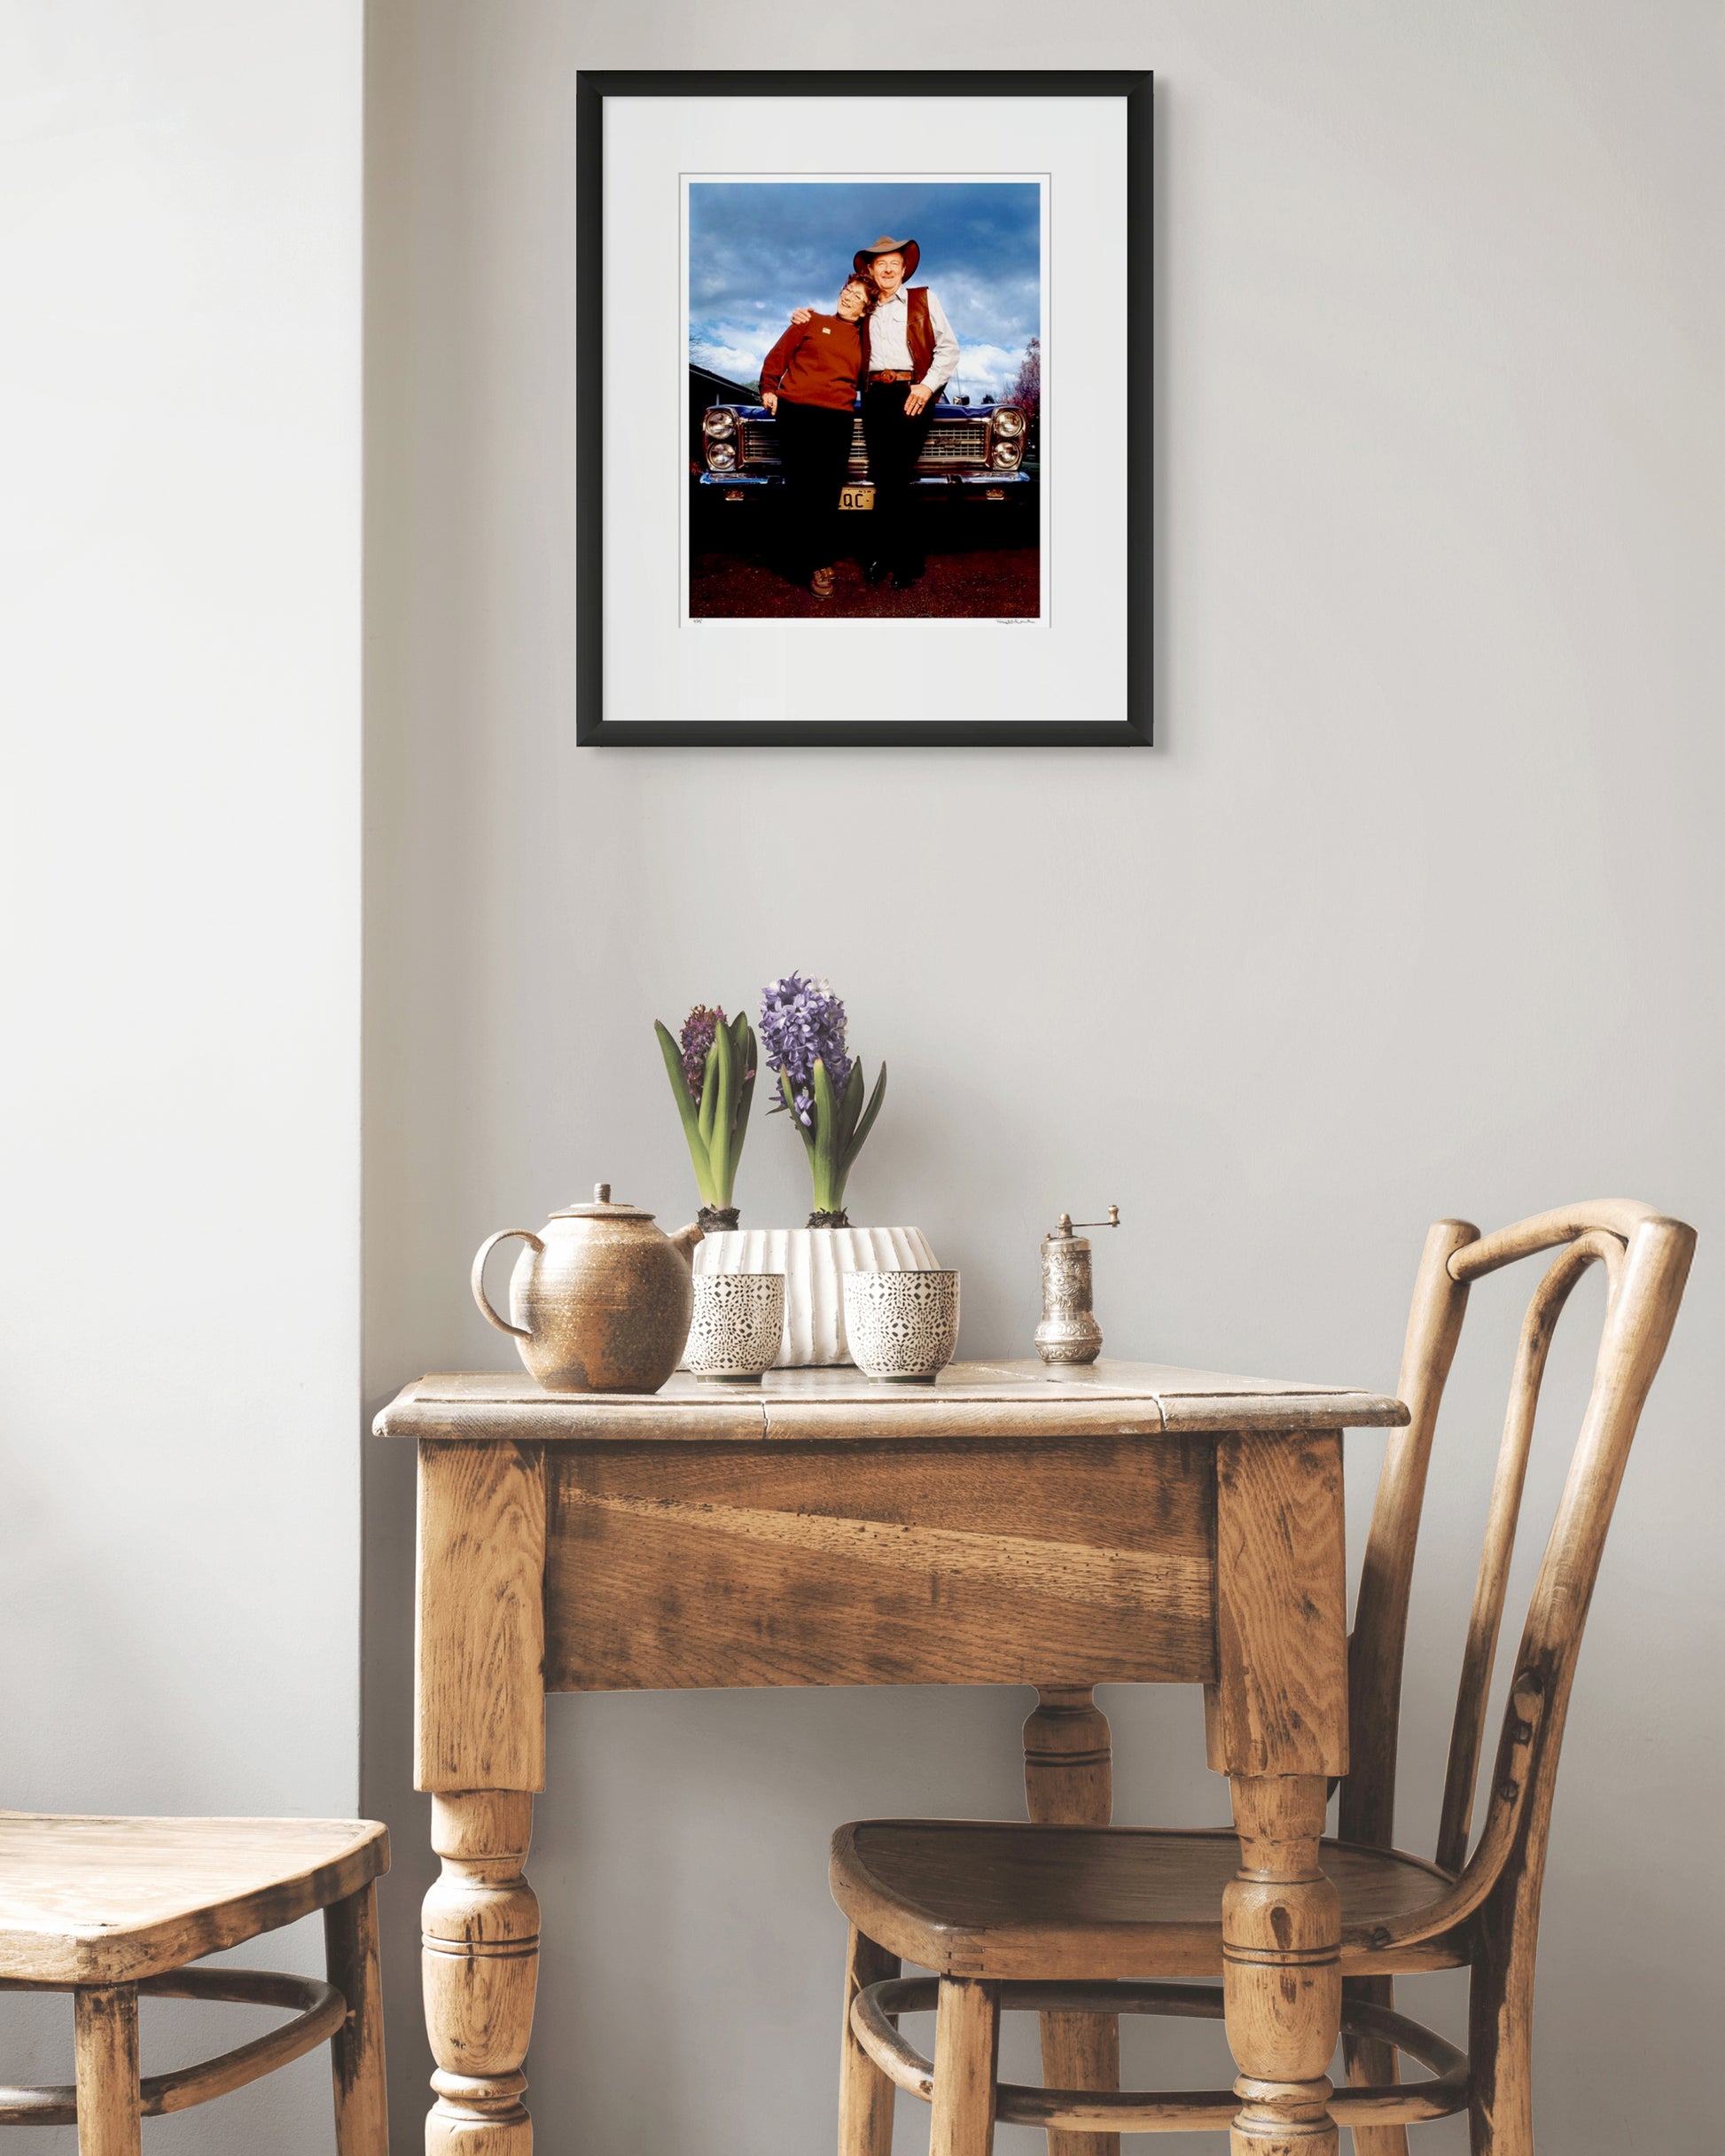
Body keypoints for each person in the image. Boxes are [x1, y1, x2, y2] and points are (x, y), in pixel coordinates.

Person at [795, 234, 960, 590]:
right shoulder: (864, 309)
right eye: (880, 263)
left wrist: (926, 386)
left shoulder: (924, 299)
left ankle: (902, 560)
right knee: (883, 476)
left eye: (894, 263)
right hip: (874, 397)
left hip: (912, 392)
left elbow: (948, 349)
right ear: (871, 269)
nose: (887, 268)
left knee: (897, 475)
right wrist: (804, 317)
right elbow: (835, 330)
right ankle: (888, 556)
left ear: (903, 270)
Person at [756, 276, 872, 598]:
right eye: (846, 290)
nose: (848, 296)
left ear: (866, 309)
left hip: (838, 418)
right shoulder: (810, 322)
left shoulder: (866, 340)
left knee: (826, 493)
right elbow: (777, 357)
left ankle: (817, 559)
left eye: (857, 295)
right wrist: (768, 388)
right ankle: (816, 564)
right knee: (801, 489)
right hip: (796, 412)